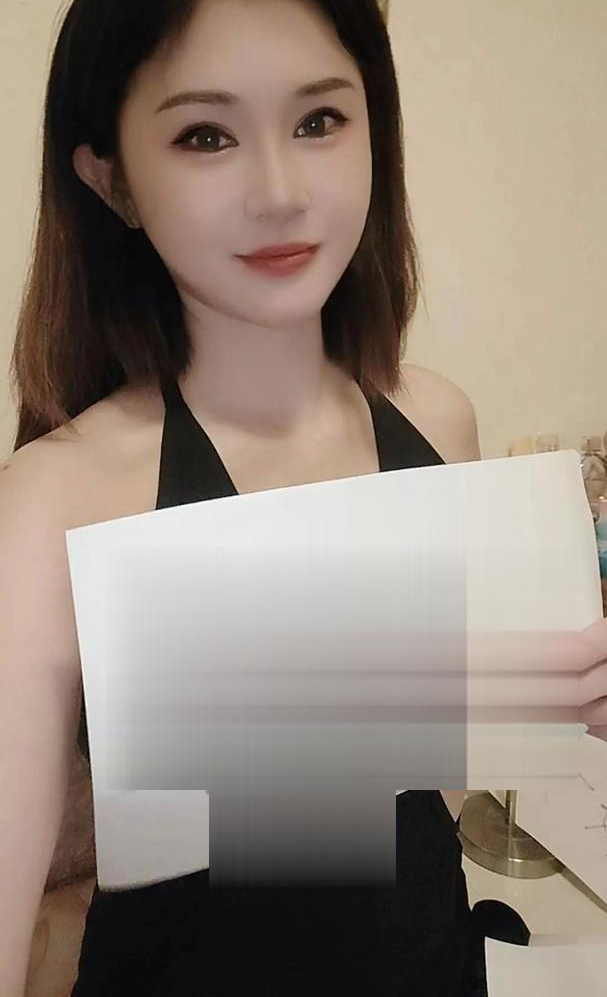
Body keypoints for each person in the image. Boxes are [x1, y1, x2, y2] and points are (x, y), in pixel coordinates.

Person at [1, 1, 605, 995]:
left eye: (319, 120)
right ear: (112, 181)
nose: (280, 193)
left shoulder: (438, 421)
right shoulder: (51, 503)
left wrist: (559, 699)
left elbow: (428, 801)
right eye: (206, 136)